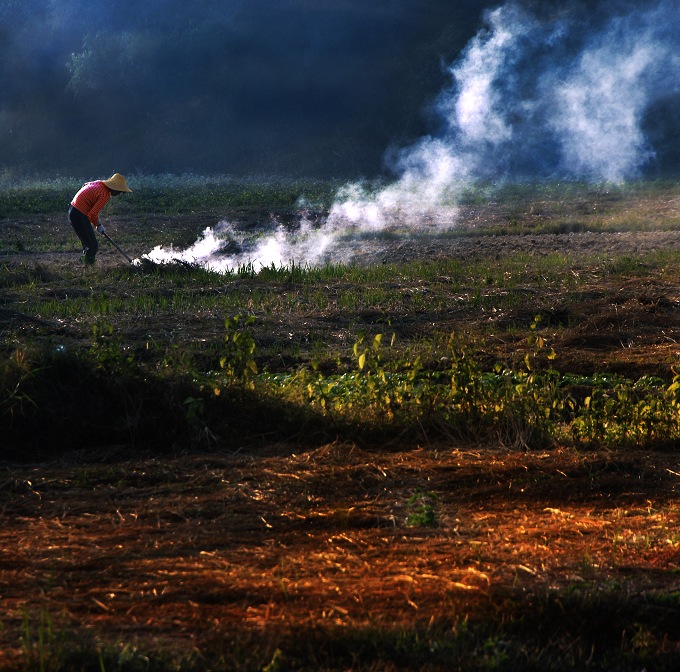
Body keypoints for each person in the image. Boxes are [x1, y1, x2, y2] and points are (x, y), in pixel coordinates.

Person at [68, 173, 132, 264]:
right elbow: (93, 214)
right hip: (79, 214)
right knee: (93, 246)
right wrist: (98, 225)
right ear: (113, 188)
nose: (118, 194)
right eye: (118, 191)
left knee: (88, 243)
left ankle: (85, 263)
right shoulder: (105, 195)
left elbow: (85, 185)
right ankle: (89, 267)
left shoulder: (98, 183)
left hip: (72, 210)